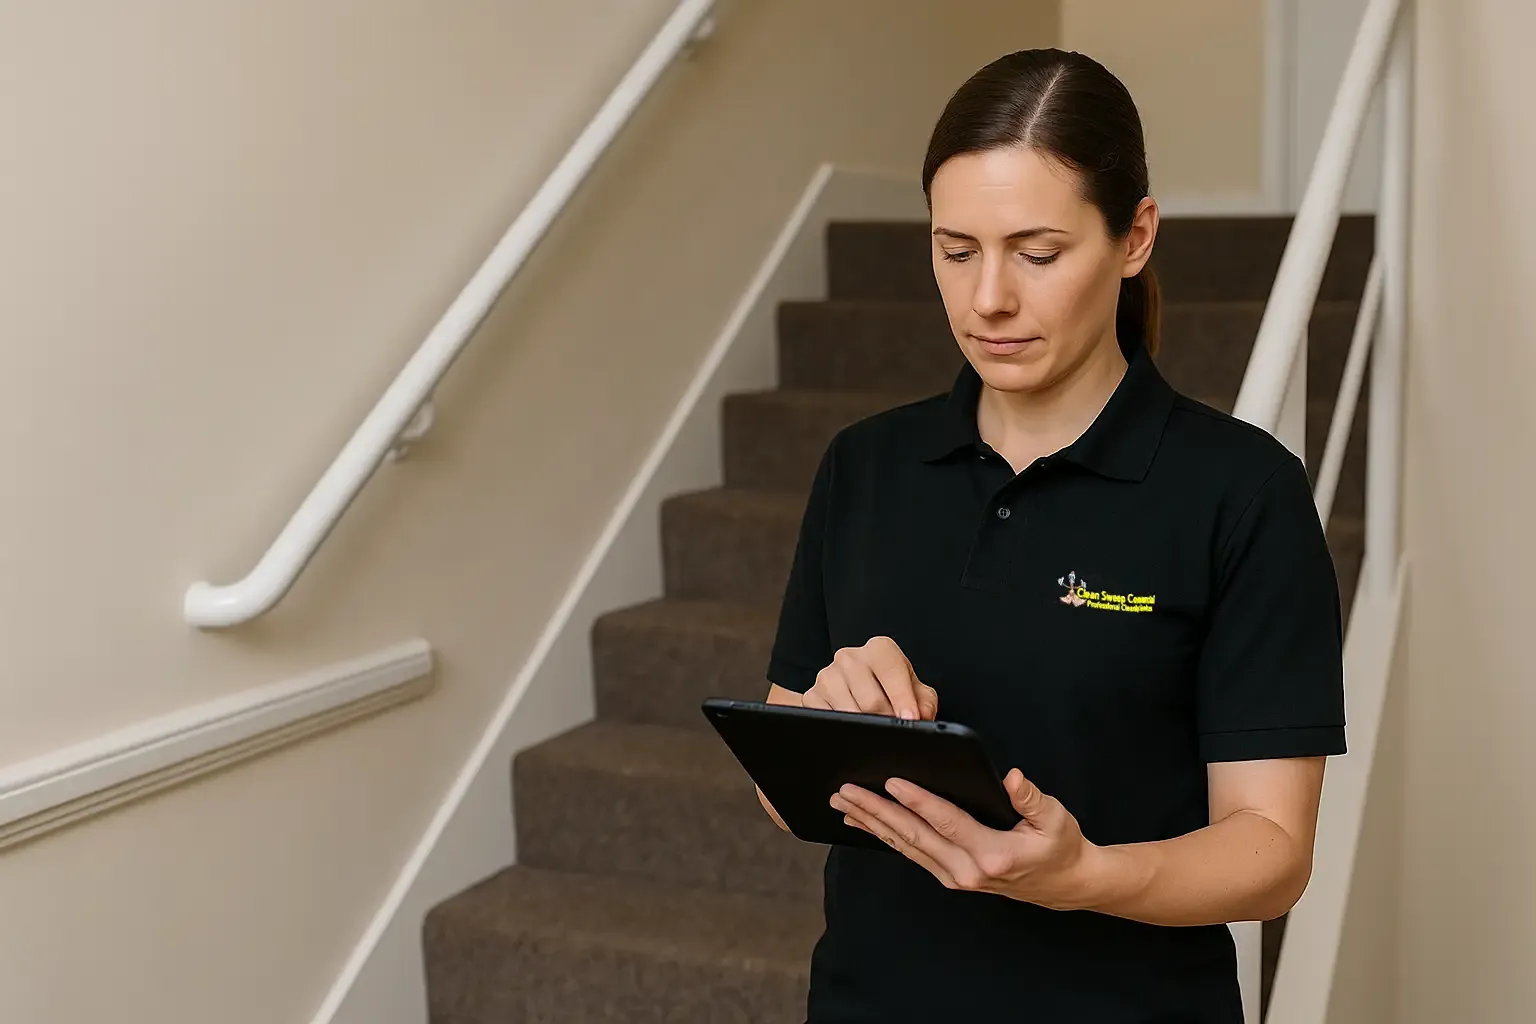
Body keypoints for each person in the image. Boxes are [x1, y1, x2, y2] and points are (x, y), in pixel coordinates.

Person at [758, 48, 1346, 1022]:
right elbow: (786, 800)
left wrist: (1087, 874)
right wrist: (833, 725)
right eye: (956, 249)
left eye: (1037, 253)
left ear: (1135, 237)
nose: (988, 297)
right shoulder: (864, 466)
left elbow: (1272, 851)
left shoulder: (1243, 493)